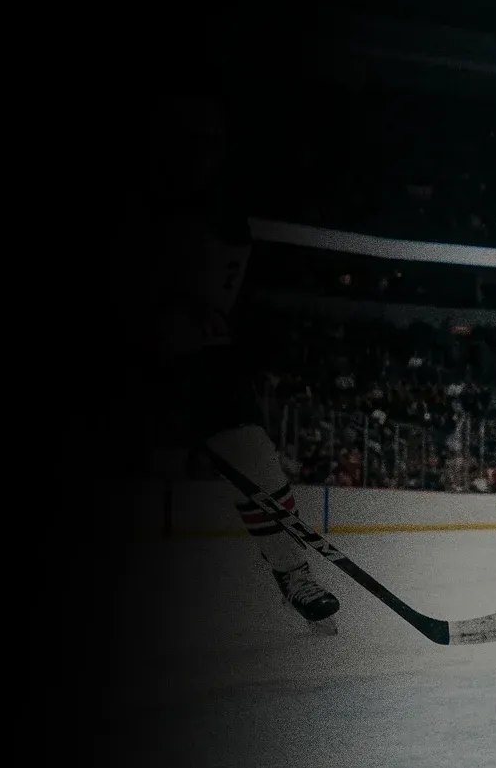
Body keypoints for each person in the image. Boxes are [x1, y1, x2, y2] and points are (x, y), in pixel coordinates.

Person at [146, 93, 342, 633]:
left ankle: (294, 574)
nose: (202, 155)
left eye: (211, 144)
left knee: (253, 458)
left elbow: (217, 313)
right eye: (191, 142)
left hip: (198, 362)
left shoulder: (225, 219)